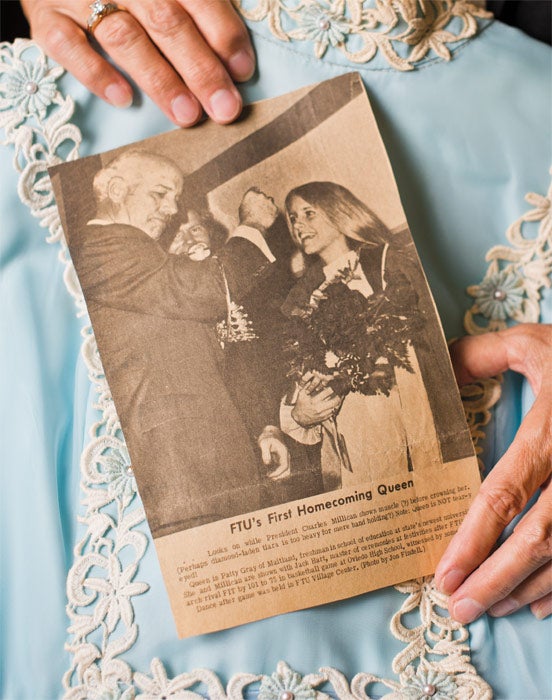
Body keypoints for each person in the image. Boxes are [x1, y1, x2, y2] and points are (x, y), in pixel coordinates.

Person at [2, 2, 551, 698]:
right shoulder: (44, 122)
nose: (173, 211)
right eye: (163, 195)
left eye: (303, 215)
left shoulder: (530, 115)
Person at [65, 148, 277, 536]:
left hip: (200, 462)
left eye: (175, 198)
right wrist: (251, 228)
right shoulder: (100, 244)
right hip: (181, 465)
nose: (171, 209)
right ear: (115, 189)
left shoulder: (132, 252)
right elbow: (207, 292)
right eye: (159, 194)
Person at [279, 181, 444, 490]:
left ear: (337, 212)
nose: (298, 224)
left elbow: (427, 347)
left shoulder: (386, 264)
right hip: (351, 427)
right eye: (293, 218)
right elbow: (297, 374)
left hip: (403, 405)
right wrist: (302, 407)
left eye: (308, 213)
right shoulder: (300, 299)